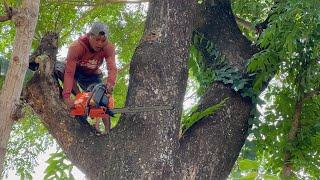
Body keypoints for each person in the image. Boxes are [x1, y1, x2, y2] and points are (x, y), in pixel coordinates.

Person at [55, 22, 117, 134]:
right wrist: (67, 97)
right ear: (89, 36)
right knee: (59, 67)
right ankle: (80, 101)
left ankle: (108, 131)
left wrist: (110, 84)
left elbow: (112, 68)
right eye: (97, 39)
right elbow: (69, 73)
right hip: (75, 71)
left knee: (100, 94)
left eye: (103, 41)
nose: (100, 43)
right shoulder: (77, 47)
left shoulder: (109, 48)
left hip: (93, 76)